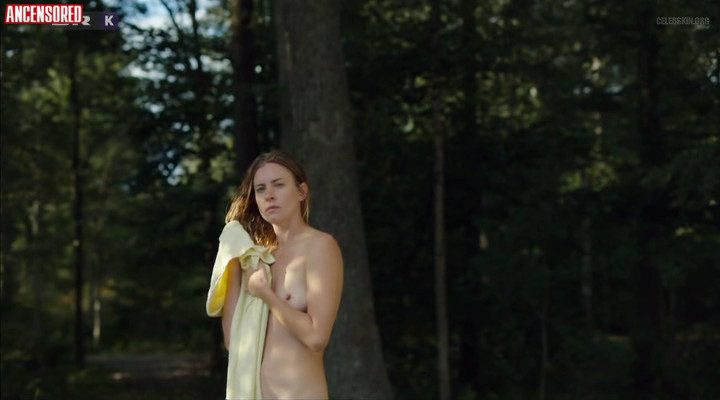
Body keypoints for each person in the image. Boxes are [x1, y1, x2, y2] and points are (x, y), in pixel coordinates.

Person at [223, 149, 344, 399]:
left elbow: (316, 337)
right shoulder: (255, 259)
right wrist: (231, 263)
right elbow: (233, 343)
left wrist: (265, 294)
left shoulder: (320, 246)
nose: (269, 195)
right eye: (260, 189)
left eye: (278, 185)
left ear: (302, 192)